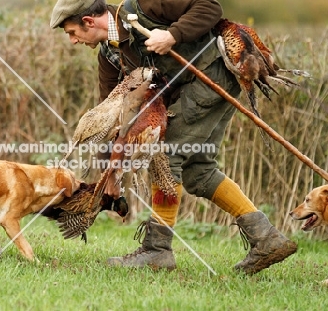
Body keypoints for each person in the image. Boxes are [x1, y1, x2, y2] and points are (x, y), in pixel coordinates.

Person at [50, 0, 297, 275]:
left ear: (88, 22)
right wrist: (110, 172)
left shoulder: (144, 8)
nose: (73, 41)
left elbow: (210, 7)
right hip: (198, 91)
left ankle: (157, 250)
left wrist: (171, 35)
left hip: (211, 80)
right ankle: (266, 238)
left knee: (165, 156)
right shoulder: (109, 57)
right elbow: (113, 118)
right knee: (198, 171)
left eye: (72, 33)